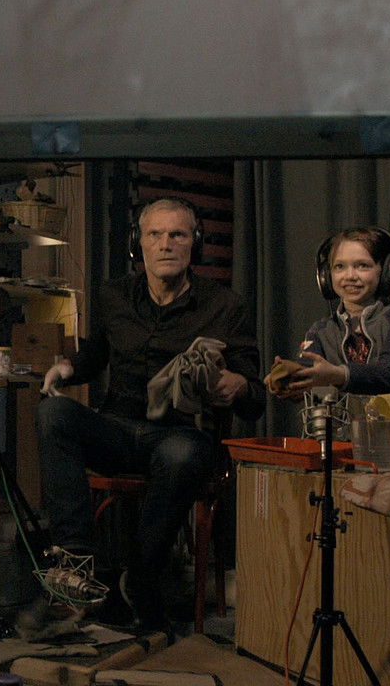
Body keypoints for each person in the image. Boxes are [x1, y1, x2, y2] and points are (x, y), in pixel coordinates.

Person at [37, 197, 264, 634]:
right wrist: (67, 368)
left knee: (181, 455)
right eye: (155, 234)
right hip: (118, 429)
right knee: (54, 413)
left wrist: (237, 385)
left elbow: (256, 398)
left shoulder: (225, 306)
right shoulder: (113, 294)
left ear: (195, 244)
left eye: (177, 234)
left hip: (180, 435)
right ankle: (75, 564)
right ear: (137, 243)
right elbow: (93, 357)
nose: (165, 244)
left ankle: (140, 580)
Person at [276, 227, 390, 469]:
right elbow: (309, 369)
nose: (350, 276)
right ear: (326, 276)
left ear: (386, 271)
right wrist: (290, 379)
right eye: (340, 267)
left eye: (362, 266)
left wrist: (339, 375)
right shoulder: (320, 331)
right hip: (341, 445)